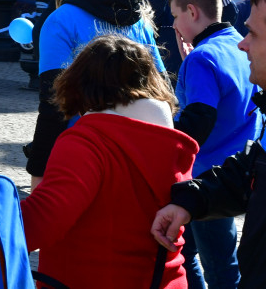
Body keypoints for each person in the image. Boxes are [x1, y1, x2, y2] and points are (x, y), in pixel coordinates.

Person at [21, 35, 197, 289]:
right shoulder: (171, 142)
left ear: (80, 85)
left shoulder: (86, 141)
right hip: (164, 280)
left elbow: (45, 218)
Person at [152, 0, 266, 288]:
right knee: (220, 262)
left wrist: (162, 159)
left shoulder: (202, 58)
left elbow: (199, 118)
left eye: (175, 16)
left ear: (191, 11)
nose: (173, 25)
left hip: (204, 172)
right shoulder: (237, 42)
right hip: (233, 172)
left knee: (206, 265)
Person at [26, 0, 163, 185]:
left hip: (85, 154)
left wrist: (39, 169)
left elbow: (54, 103)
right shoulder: (139, 20)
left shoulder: (60, 21)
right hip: (141, 151)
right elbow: (163, 89)